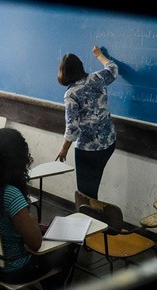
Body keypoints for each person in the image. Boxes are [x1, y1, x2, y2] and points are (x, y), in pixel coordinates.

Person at [0, 128, 76, 290]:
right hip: (14, 269)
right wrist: (30, 218)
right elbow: (35, 243)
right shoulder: (9, 194)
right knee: (68, 250)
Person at [55, 45, 119, 199]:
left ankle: (91, 221)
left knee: (86, 195)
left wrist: (64, 149)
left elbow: (72, 127)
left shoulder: (71, 94)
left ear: (65, 72)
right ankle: (94, 218)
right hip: (109, 142)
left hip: (89, 149)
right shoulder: (97, 77)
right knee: (92, 189)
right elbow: (113, 68)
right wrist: (99, 55)